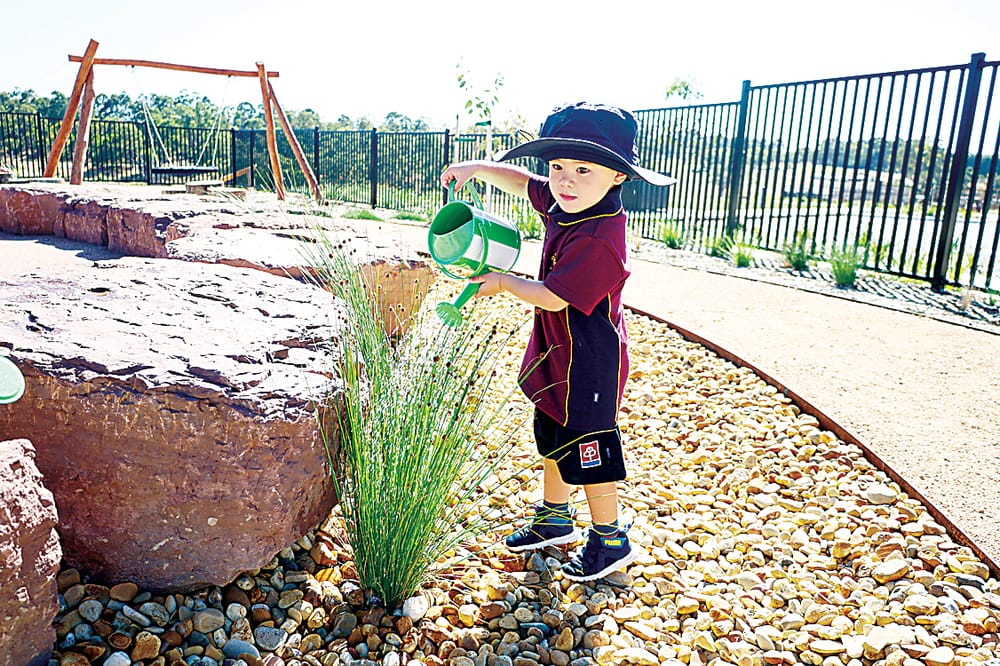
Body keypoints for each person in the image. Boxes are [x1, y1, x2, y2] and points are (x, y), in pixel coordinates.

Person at [439, 102, 676, 581]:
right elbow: (523, 183)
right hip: (556, 353)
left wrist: (502, 281)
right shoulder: (567, 200)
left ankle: (610, 540)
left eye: (583, 169)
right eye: (557, 167)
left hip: (589, 364)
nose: (564, 180)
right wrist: (478, 169)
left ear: (617, 177)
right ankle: (554, 517)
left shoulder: (601, 237)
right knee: (551, 435)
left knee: (590, 450)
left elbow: (550, 296)